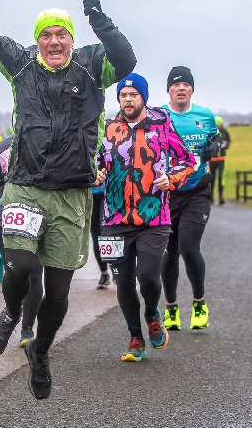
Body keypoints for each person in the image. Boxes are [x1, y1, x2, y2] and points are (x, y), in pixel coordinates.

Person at [0, 0, 136, 400]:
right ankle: (9, 313)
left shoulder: (94, 64)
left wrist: (99, 20)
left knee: (58, 293)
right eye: (47, 35)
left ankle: (41, 351)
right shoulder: (19, 62)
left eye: (62, 34)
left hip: (73, 192)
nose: (54, 41)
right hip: (24, 185)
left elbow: (127, 59)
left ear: (71, 39)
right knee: (21, 267)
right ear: (37, 39)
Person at [96, 73, 195, 361]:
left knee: (148, 277)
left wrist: (171, 179)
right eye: (123, 96)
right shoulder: (108, 128)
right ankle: (135, 338)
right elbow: (95, 165)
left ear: (143, 98)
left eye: (133, 95)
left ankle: (152, 313)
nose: (128, 100)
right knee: (123, 281)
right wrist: (97, 174)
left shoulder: (161, 123)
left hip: (154, 216)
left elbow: (187, 161)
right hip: (114, 219)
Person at [159, 66, 220, 331]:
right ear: (169, 90)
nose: (181, 88)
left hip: (197, 192)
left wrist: (215, 148)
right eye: (176, 85)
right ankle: (171, 308)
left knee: (187, 246)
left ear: (192, 89)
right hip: (166, 194)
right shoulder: (159, 116)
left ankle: (199, 302)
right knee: (167, 253)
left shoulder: (205, 115)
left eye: (186, 84)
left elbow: (215, 142)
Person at [0, 133, 44, 347]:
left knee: (35, 273)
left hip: (39, 219)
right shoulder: (1, 148)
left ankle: (27, 328)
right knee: (15, 274)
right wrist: (0, 180)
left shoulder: (48, 143)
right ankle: (12, 311)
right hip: (8, 219)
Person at [212, 115, 231, 205]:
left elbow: (228, 141)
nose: (219, 125)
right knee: (212, 179)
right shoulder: (210, 132)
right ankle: (211, 197)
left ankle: (220, 197)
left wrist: (224, 146)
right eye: (218, 123)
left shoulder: (224, 132)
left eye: (220, 123)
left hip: (221, 159)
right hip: (212, 159)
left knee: (221, 178)